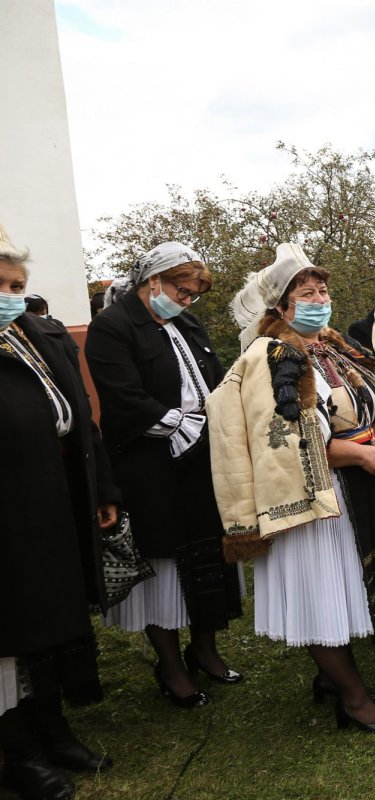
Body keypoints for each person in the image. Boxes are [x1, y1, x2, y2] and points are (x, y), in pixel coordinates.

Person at [210, 243, 375, 731]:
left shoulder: (333, 345)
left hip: (354, 486)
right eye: (307, 293)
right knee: (322, 592)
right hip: (313, 498)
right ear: (280, 307)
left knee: (343, 587)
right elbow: (288, 440)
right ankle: (353, 698)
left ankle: (334, 678)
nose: (320, 299)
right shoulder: (270, 356)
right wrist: (359, 453)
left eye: (323, 290)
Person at [85, 243, 243, 709]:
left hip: (202, 459)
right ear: (152, 280)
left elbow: (213, 378)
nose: (186, 301)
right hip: (149, 465)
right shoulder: (111, 328)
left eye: (193, 294)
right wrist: (187, 425)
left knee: (208, 557)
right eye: (181, 290)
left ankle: (206, 649)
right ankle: (171, 665)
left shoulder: (186, 323)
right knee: (166, 565)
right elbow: (124, 398)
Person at [0, 228, 119, 800]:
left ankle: (54, 729)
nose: (9, 294)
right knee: (10, 632)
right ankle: (19, 752)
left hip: (52, 500)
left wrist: (100, 488)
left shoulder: (32, 335)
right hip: (8, 510)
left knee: (50, 622)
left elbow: (78, 415)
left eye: (16, 285)